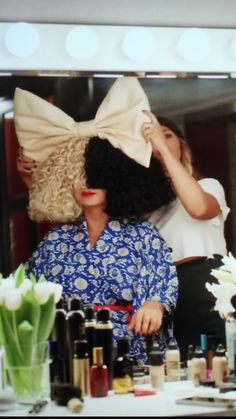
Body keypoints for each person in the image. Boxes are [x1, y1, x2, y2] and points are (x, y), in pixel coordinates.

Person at [13, 78, 178, 364]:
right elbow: (25, 294)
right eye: (79, 175)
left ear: (116, 178)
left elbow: (162, 284)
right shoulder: (55, 242)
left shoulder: (143, 235)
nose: (88, 184)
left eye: (98, 175)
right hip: (68, 351)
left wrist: (155, 304)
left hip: (131, 350)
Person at [142, 111, 230, 362]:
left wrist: (163, 150)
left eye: (167, 135)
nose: (158, 140)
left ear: (182, 144)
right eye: (152, 139)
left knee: (219, 365)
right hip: (163, 293)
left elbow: (199, 208)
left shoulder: (208, 186)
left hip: (204, 281)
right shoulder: (145, 207)